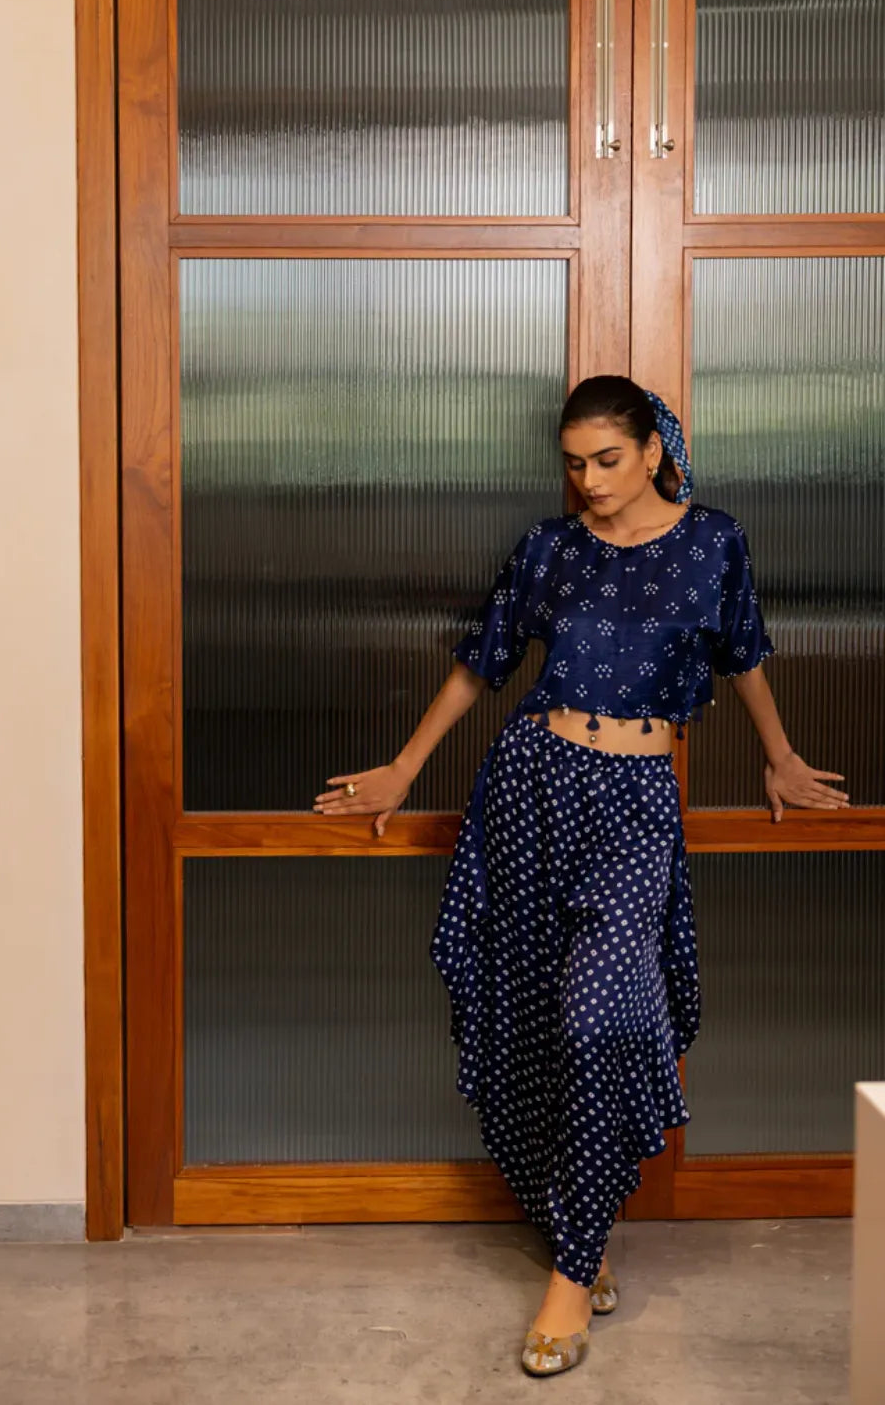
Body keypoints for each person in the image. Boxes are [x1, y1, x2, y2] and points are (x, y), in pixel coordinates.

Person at [312, 374, 848, 1378]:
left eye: (606, 459)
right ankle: (582, 1229)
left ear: (652, 451)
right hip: (531, 784)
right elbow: (482, 662)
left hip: (637, 803)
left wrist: (778, 755)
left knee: (599, 1016)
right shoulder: (549, 548)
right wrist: (404, 767)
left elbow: (743, 655)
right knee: (529, 1016)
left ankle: (568, 1276)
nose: (589, 481)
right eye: (573, 463)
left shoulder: (713, 542)